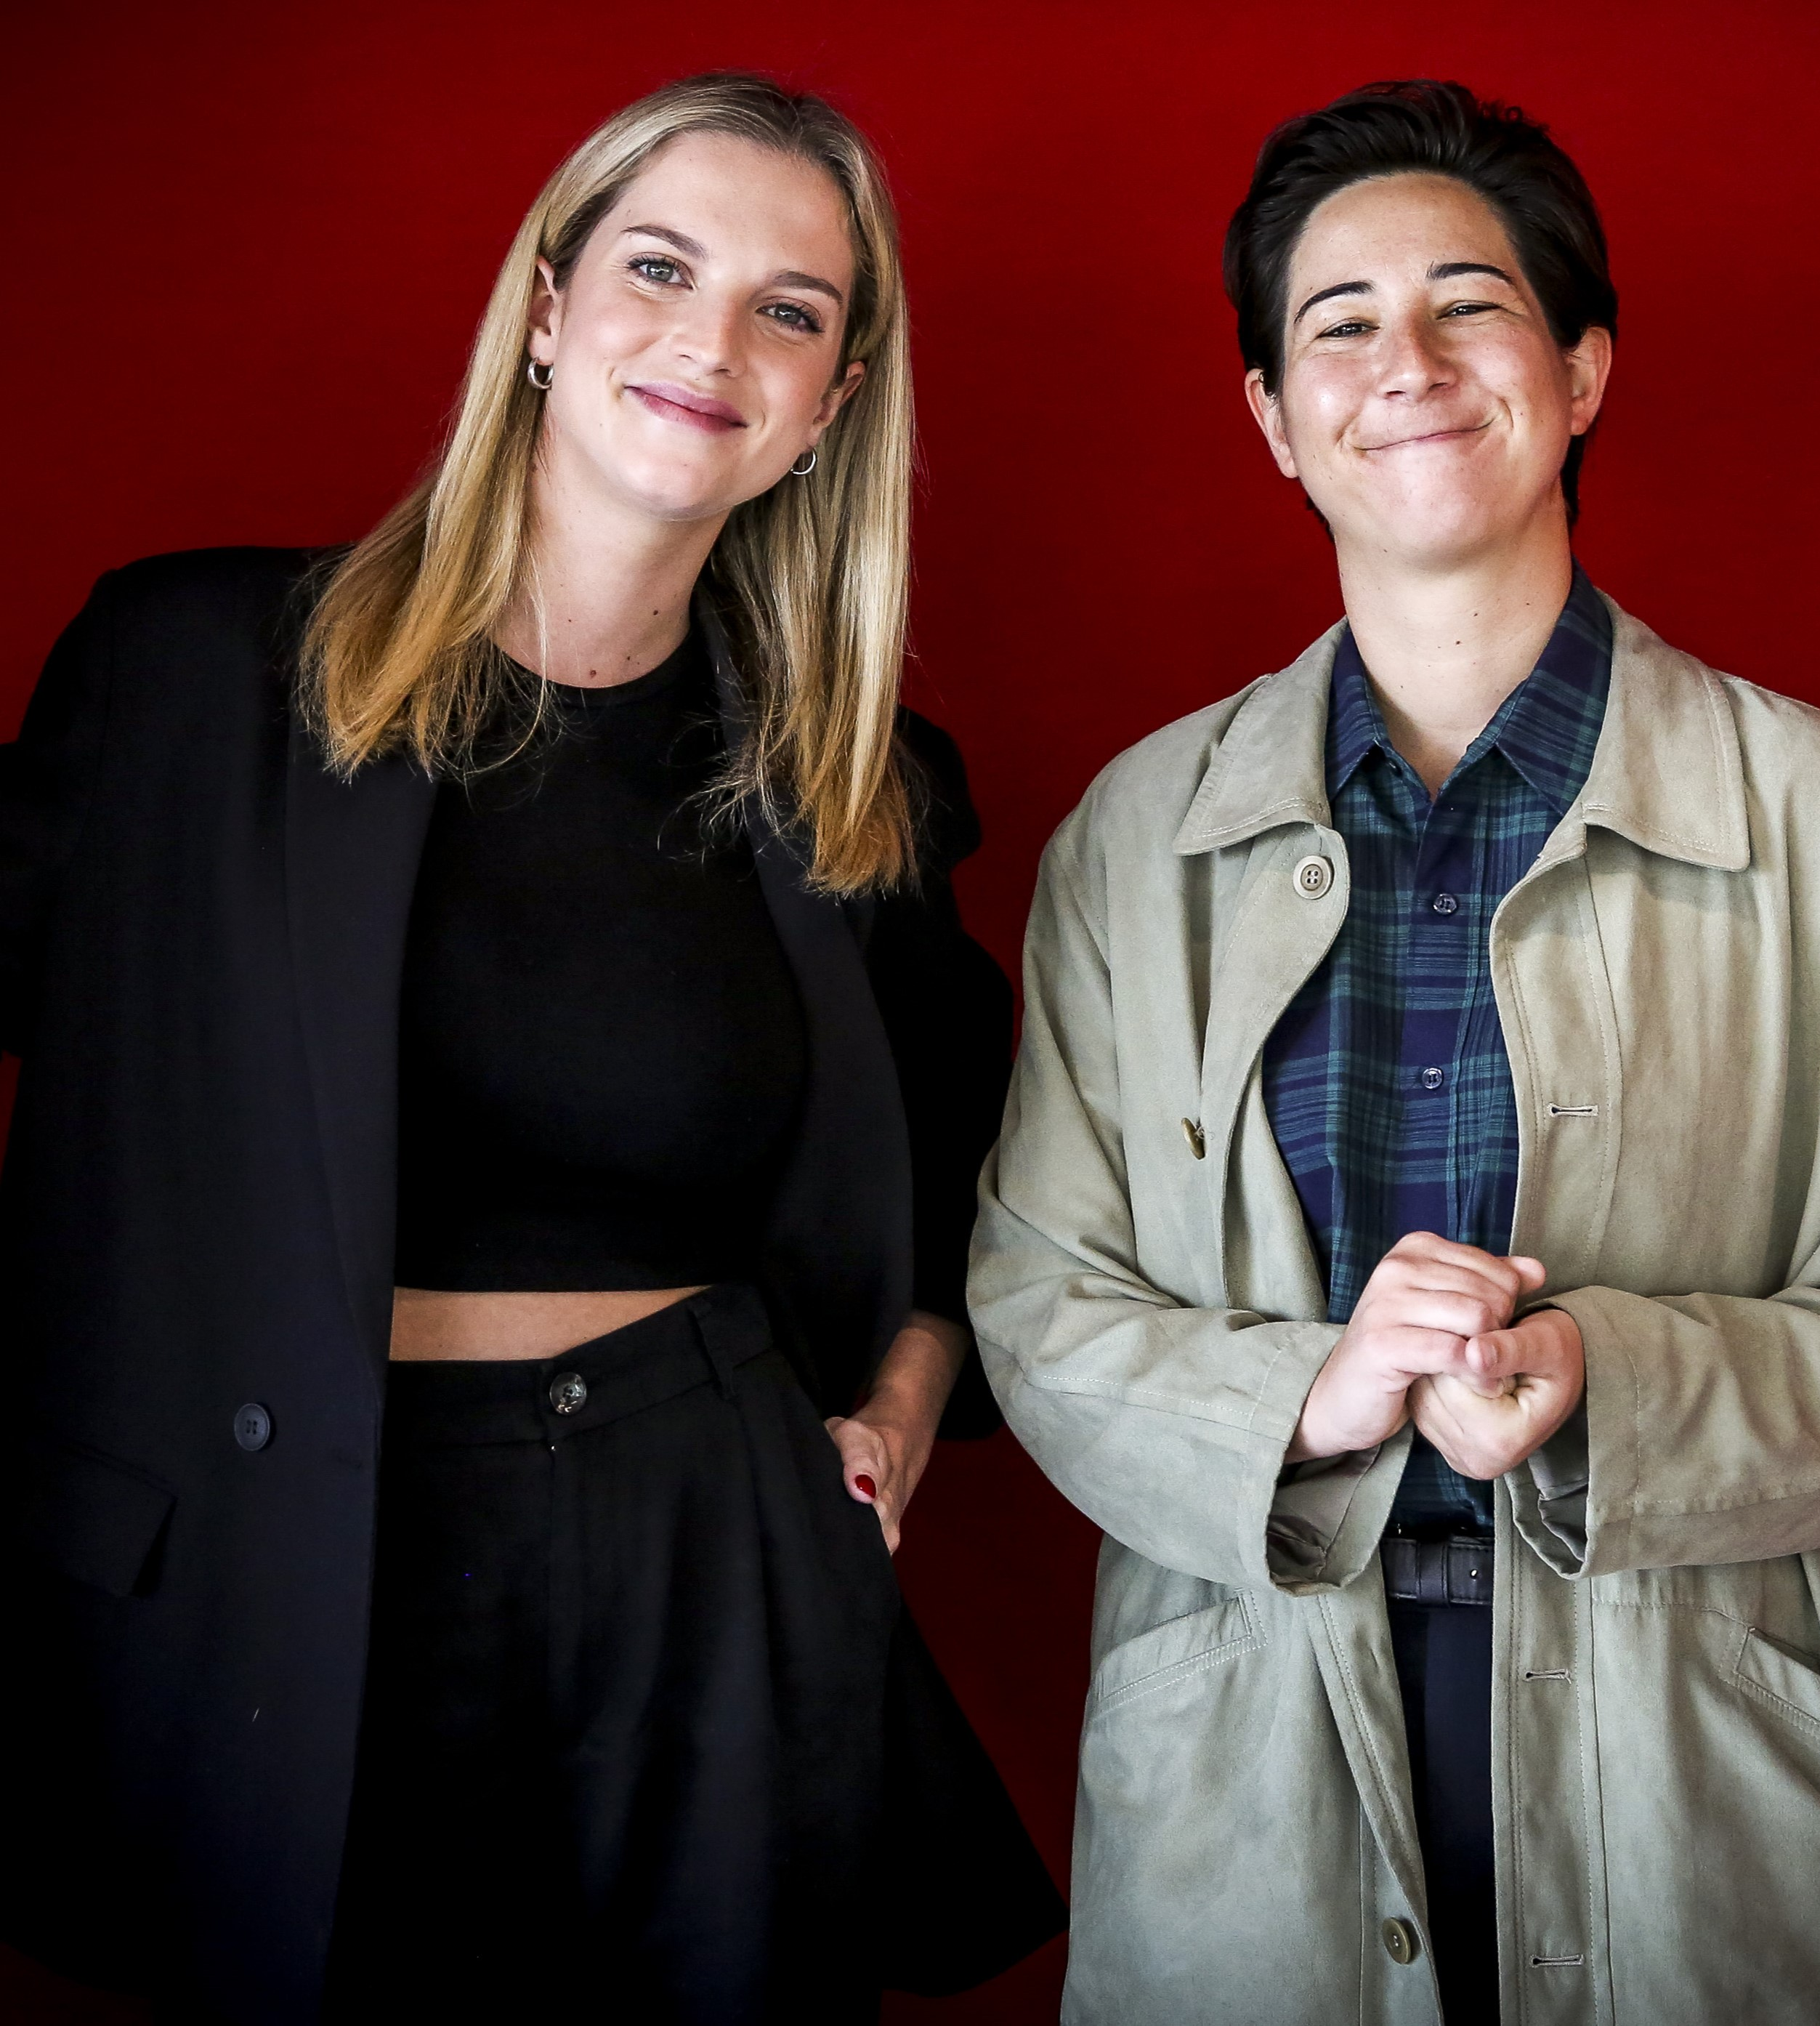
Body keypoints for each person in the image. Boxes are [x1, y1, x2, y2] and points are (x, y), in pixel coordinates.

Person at [0, 71, 1061, 2025]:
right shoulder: (186, 673)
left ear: (830, 404)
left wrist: (907, 1395)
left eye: (788, 310)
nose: (711, 342)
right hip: (273, 1568)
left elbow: (991, 1184)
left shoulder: (854, 791)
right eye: (658, 269)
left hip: (707, 1558)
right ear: (550, 309)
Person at [969, 77, 1820, 2026]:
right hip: (1252, 1758)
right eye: (1340, 324)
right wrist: (1312, 1393)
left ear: (1582, 372)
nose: (1409, 363)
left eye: (1472, 305)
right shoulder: (1134, 840)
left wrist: (1611, 1381)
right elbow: (1038, 1303)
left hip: (1709, 1762)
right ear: (1273, 418)